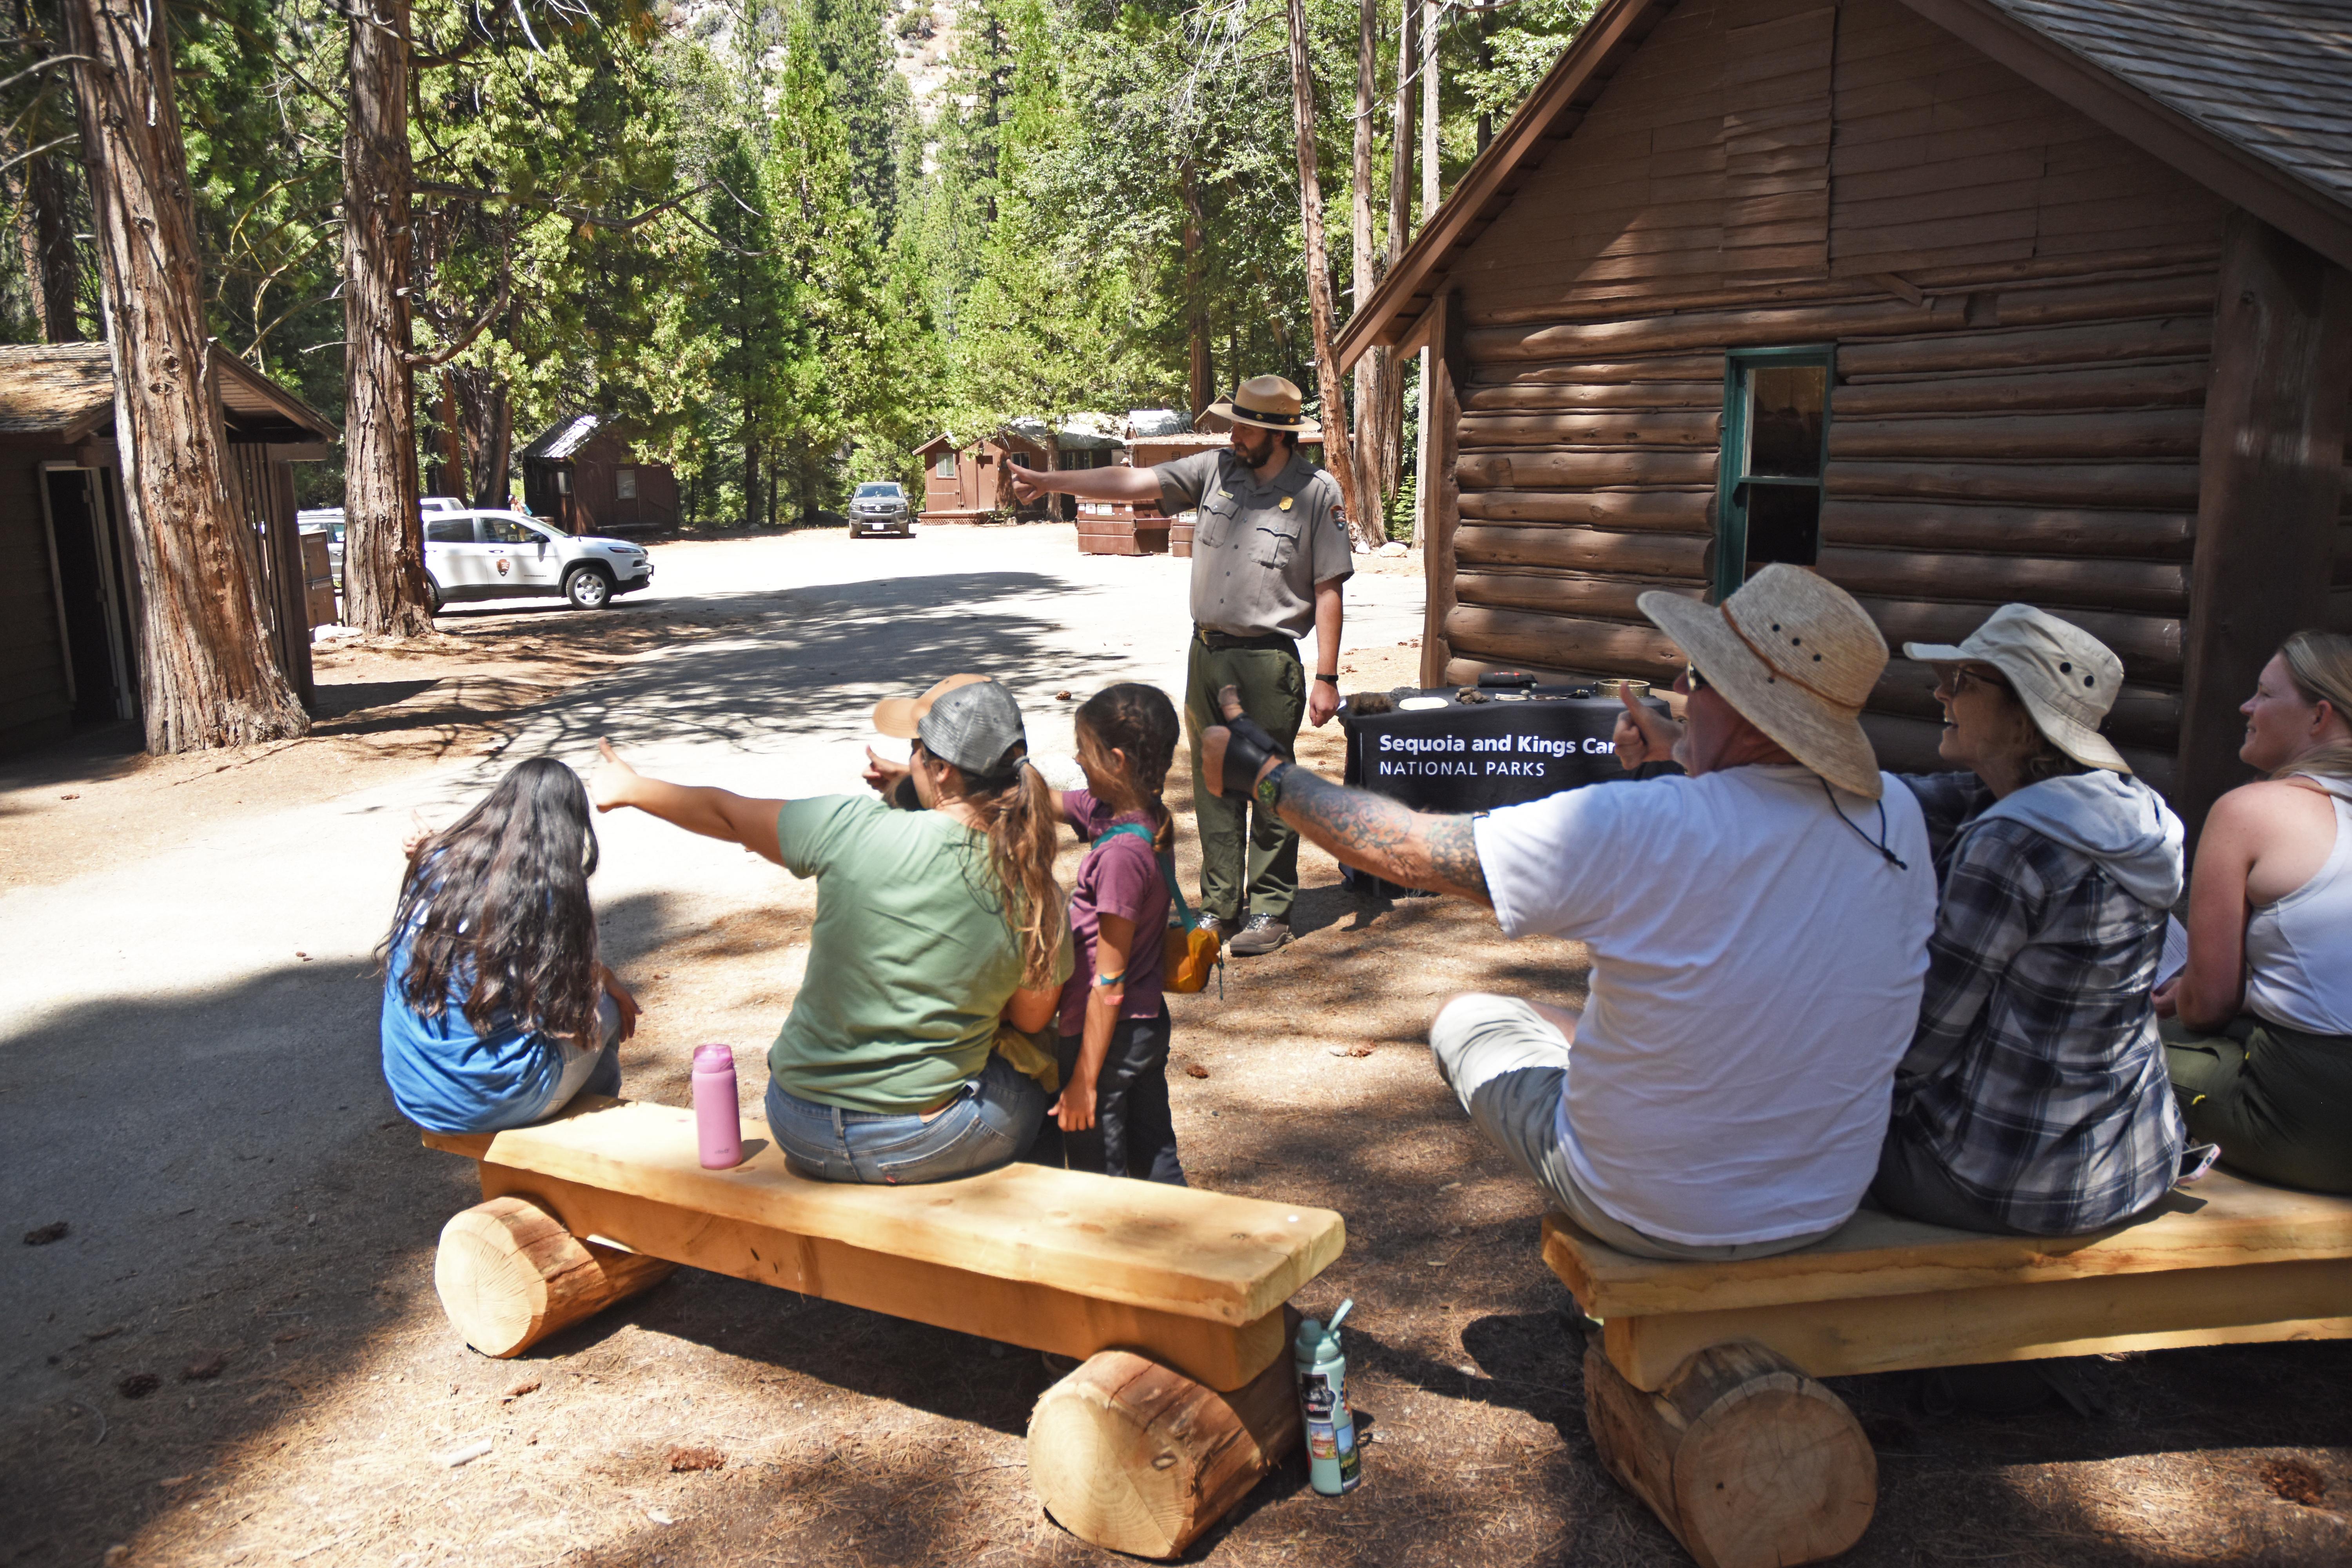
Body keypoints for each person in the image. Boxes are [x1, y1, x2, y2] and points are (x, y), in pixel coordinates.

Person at [1201, 564, 1938, 1259]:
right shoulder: (1896, 813)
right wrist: (1685, 750)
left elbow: (1407, 852)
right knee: (1574, 1019)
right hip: (1823, 1201)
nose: (1681, 687)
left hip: (1653, 1211)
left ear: (1746, 706)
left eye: (1700, 678)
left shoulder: (1648, 823)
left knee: (1469, 1015)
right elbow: (1764, 801)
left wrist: (1264, 778)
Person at [590, 676, 1073, 1184]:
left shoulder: (850, 826)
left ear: (941, 770)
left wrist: (632, 788)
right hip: (920, 1139)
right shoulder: (1033, 887)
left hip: (799, 1122)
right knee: (1035, 1074)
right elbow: (1032, 1015)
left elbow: (727, 815)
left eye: (916, 750)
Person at [1011, 376, 1353, 957]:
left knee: (1269, 781)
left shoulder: (1317, 492)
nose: (1234, 434)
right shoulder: (1216, 471)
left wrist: (1326, 676)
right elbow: (1129, 480)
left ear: (1277, 434)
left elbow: (1328, 590)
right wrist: (1051, 481)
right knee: (1214, 780)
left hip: (1269, 661)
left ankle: (1271, 908)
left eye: (1246, 427)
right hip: (1209, 654)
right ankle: (1220, 907)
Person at [1873, 605, 2187, 1234]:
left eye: (1963, 681)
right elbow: (1897, 797)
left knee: (1775, 1135)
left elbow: (1920, 1040)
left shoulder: (2013, 844)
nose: (1941, 693)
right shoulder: (2121, 810)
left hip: (2006, 1179)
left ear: (2024, 716)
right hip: (2131, 1162)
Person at [2160, 630, 2352, 1192]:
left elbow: (2208, 1006)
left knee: (2098, 1043)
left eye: (2265, 695)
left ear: (2320, 716)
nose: (2246, 708)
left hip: (2317, 1117)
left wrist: (2184, 994)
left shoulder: (2251, 811)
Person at [381, 757, 642, 1135]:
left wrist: (427, 849)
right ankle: (592, 1136)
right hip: (488, 1102)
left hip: (413, 1089)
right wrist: (602, 984)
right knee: (606, 1010)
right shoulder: (542, 894)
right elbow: (566, 1013)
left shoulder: (434, 861)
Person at [1028, 683, 1189, 1184]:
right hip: (1144, 1027)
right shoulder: (1123, 812)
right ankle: (1183, 1245)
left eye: (1084, 749)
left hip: (1106, 1036)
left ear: (1116, 760)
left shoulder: (1122, 856)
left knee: (1100, 1177)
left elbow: (1109, 982)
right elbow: (1048, 802)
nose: (1076, 757)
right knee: (1155, 1154)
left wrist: (1083, 1080)